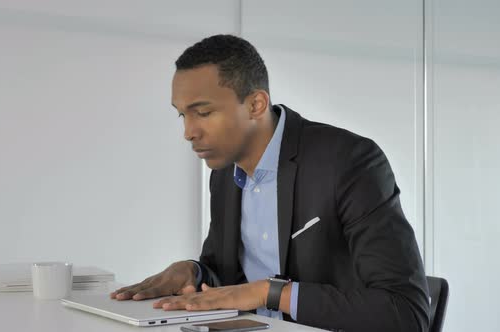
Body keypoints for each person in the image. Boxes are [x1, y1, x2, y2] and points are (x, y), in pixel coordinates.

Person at [110, 34, 430, 332]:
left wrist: (270, 293)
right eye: (183, 115)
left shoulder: (349, 161)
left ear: (255, 105)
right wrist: (194, 271)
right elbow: (228, 278)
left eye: (203, 112)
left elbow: (406, 312)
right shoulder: (224, 174)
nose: (189, 132)